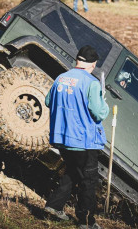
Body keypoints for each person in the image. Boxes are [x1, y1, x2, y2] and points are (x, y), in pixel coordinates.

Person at [44, 45, 109, 229]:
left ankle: (53, 205)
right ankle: (86, 221)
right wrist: (102, 101)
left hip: (61, 138)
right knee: (88, 180)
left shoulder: (61, 78)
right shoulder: (92, 83)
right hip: (83, 140)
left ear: (77, 60)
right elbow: (99, 113)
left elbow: (48, 101)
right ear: (93, 64)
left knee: (73, 171)